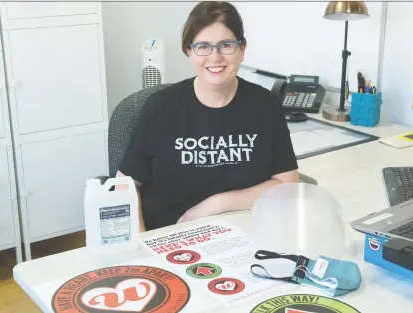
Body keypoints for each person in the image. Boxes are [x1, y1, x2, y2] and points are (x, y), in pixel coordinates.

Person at [116, 1, 299, 232]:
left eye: (226, 45)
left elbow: (287, 184)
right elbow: (125, 186)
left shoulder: (265, 105)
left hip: (244, 236)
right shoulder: (160, 107)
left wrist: (216, 203)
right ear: (189, 51)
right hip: (170, 241)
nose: (215, 57)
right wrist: (142, 248)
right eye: (202, 46)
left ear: (242, 49)